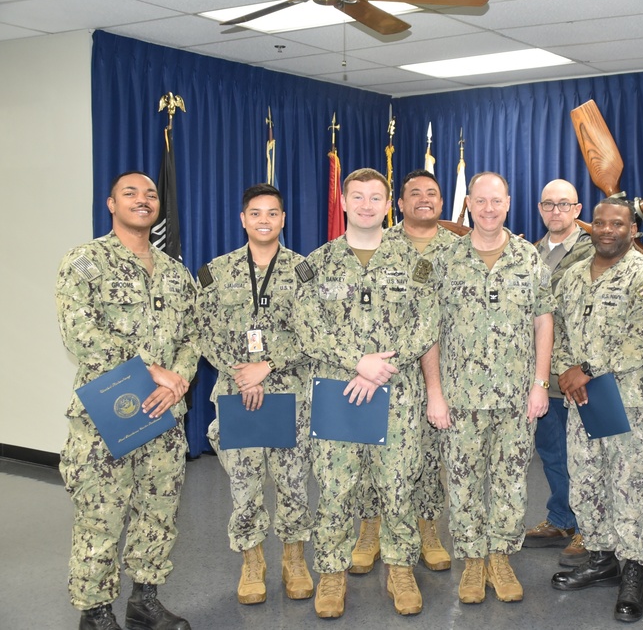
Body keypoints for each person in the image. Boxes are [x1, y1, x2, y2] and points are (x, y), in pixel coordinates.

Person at [293, 168, 440, 618]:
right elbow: (306, 327)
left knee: (397, 488)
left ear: (388, 203)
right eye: (357, 197)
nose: (366, 205)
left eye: (376, 197)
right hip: (338, 393)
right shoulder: (315, 264)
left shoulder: (417, 263)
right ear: (342, 202)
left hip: (397, 396)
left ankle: (399, 569)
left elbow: (426, 322)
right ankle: (332, 575)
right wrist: (358, 362)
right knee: (336, 489)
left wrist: (380, 369)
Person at [55, 171, 197, 630]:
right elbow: (80, 333)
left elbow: (192, 336)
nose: (143, 200)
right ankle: (95, 612)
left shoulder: (176, 272)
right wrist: (147, 368)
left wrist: (177, 380)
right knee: (102, 512)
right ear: (111, 204)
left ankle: (145, 599)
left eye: (151, 194)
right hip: (107, 415)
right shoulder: (85, 261)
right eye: (130, 193)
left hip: (164, 413)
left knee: (159, 509)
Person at [424, 171, 554, 605]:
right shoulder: (445, 260)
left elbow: (543, 323)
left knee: (511, 482)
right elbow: (432, 333)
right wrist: (435, 393)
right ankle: (472, 561)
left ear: (509, 203)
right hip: (460, 398)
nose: (488, 209)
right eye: (480, 201)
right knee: (461, 483)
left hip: (517, 398)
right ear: (469, 205)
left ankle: (500, 555)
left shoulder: (528, 258)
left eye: (496, 201)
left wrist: (540, 384)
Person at [550, 197, 643, 623]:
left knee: (629, 487)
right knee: (586, 481)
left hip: (629, 402)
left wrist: (587, 368)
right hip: (582, 401)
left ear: (632, 229)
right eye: (598, 223)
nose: (605, 230)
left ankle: (634, 568)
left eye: (616, 224)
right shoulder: (574, 277)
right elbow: (556, 328)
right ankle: (602, 557)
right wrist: (564, 370)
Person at [195, 184, 314, 606]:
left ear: (283, 219)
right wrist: (240, 372)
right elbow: (202, 331)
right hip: (236, 394)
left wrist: (270, 364)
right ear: (243, 219)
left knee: (294, 483)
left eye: (273, 213)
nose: (264, 220)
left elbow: (315, 333)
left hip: (290, 396)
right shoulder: (216, 272)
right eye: (256, 213)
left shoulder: (304, 272)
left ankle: (295, 558)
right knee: (244, 485)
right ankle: (252, 560)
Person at [350, 169, 456, 575]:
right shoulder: (379, 241)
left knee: (429, 456)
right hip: (388, 371)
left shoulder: (457, 248)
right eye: (414, 193)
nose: (424, 199)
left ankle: (428, 529)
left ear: (442, 203)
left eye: (432, 193)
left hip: (450, 369)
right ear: (400, 203)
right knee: (368, 454)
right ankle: (370, 529)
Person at [524, 178, 594, 567]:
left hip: (577, 374)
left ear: (578, 210)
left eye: (564, 205)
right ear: (539, 209)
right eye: (549, 204)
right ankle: (562, 518)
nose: (556, 211)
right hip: (542, 375)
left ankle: (589, 526)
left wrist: (584, 366)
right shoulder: (528, 254)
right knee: (552, 452)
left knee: (585, 455)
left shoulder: (593, 251)